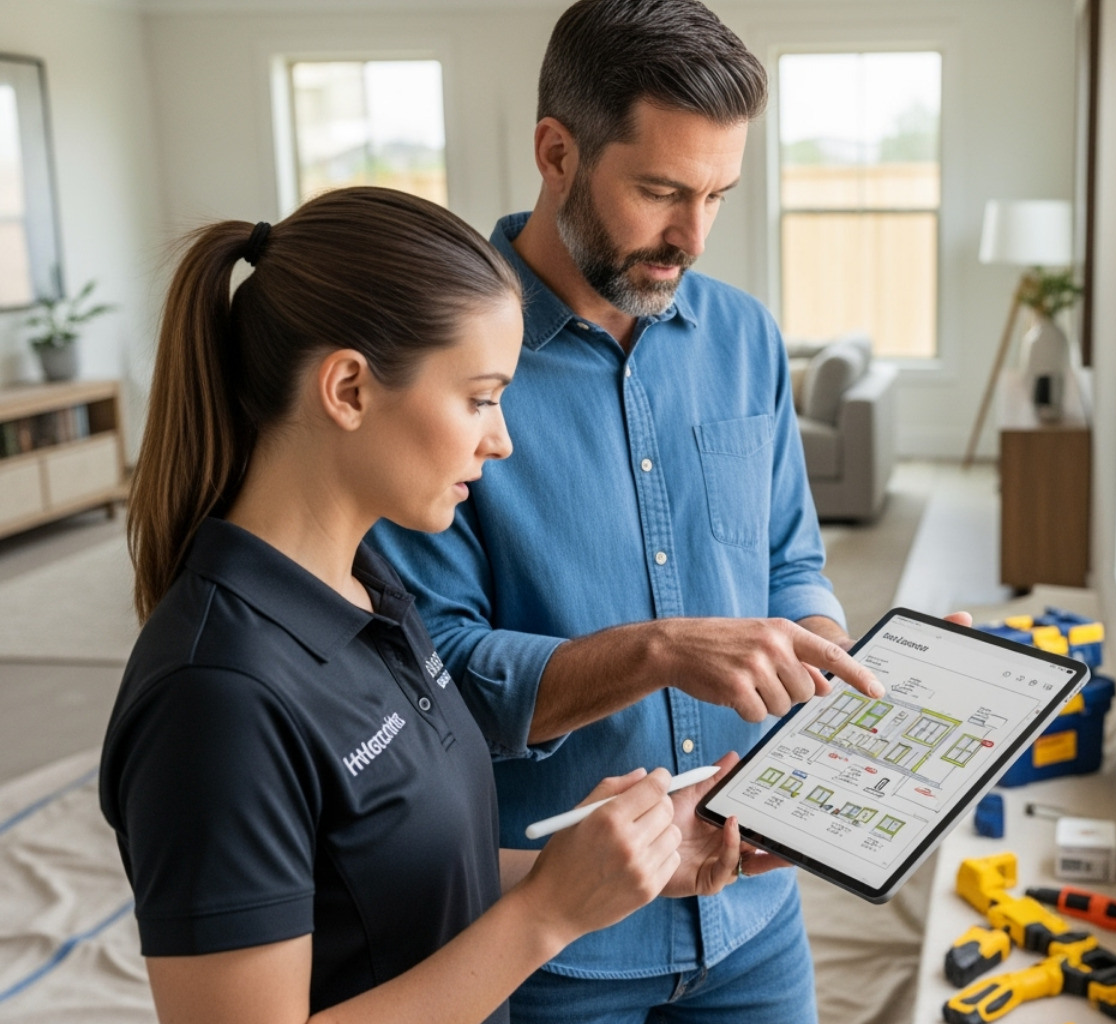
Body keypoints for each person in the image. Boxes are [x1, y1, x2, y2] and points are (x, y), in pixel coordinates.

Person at [368, 2, 943, 1021]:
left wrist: (827, 659)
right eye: (661, 191)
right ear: (557, 152)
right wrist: (662, 648)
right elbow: (438, 674)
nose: (692, 236)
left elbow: (788, 560)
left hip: (754, 911)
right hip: (558, 948)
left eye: (718, 193)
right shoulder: (447, 366)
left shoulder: (746, 337)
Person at [99, 186, 747, 1024]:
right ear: (349, 389)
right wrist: (546, 918)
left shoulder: (372, 589)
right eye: (480, 397)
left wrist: (614, 867)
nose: (502, 439)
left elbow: (405, 883)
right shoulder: (214, 698)